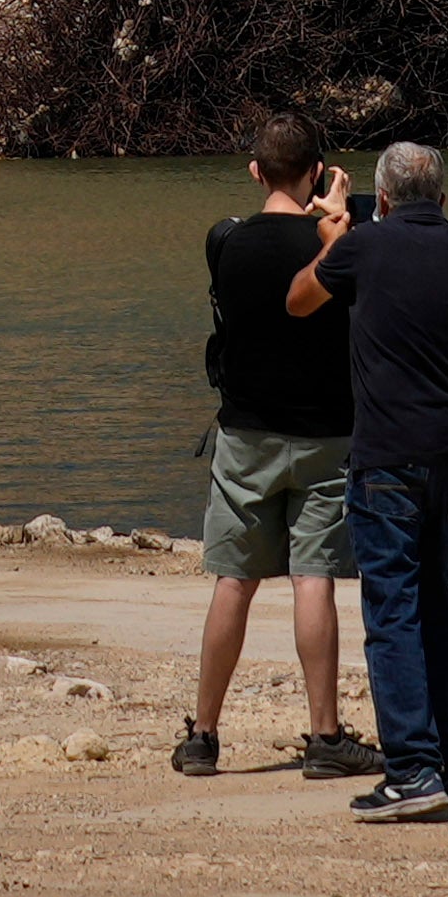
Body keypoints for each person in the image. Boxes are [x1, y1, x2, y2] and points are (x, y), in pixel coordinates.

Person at [310, 136, 448, 820]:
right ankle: (447, 765)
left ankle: (413, 769)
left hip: (389, 451)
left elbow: (300, 299)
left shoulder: (365, 245)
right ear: (444, 199)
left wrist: (336, 234)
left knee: (391, 610)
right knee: (436, 606)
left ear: (383, 199)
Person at [178, 119, 363, 777]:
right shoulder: (340, 242)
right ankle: (325, 736)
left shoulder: (225, 242)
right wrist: (341, 214)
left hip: (246, 433)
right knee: (314, 580)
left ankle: (203, 735)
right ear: (316, 171)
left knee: (235, 580)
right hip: (327, 431)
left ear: (256, 172)